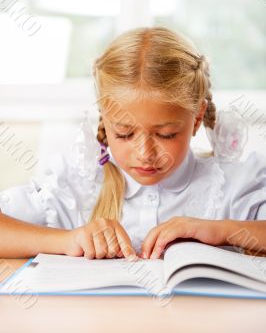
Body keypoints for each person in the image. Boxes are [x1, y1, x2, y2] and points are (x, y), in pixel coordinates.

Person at [1, 27, 266, 260]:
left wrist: (222, 231)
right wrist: (67, 240)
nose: (145, 154)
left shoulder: (234, 186)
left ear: (197, 118)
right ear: (104, 119)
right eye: (125, 134)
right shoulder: (75, 187)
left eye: (166, 134)